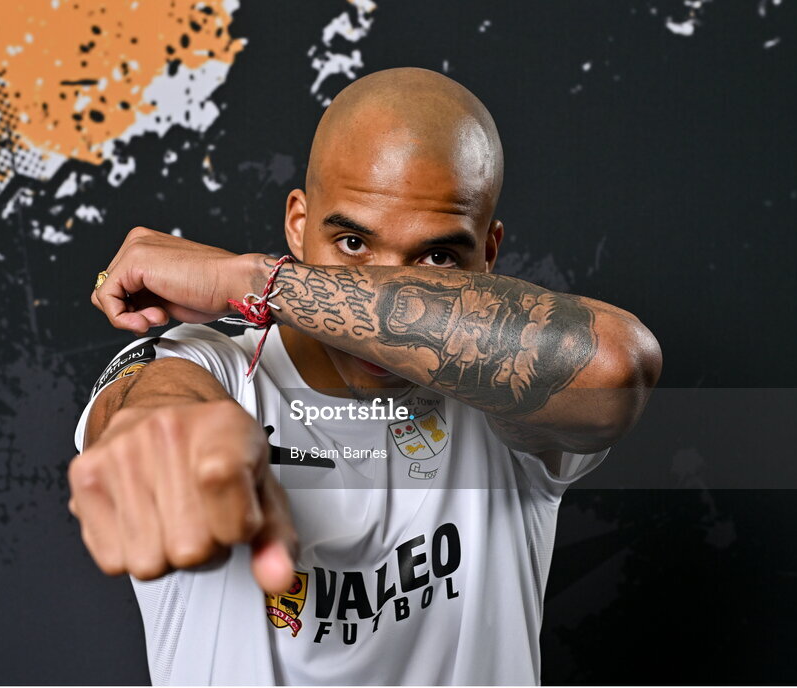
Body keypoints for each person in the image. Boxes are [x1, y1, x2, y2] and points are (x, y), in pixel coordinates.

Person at [70, 67, 661, 685]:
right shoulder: (211, 364)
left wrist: (257, 282)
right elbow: (155, 399)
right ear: (298, 225)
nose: (387, 285)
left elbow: (615, 367)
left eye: (437, 258)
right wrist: (169, 436)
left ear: (488, 254)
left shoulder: (504, 395)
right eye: (353, 242)